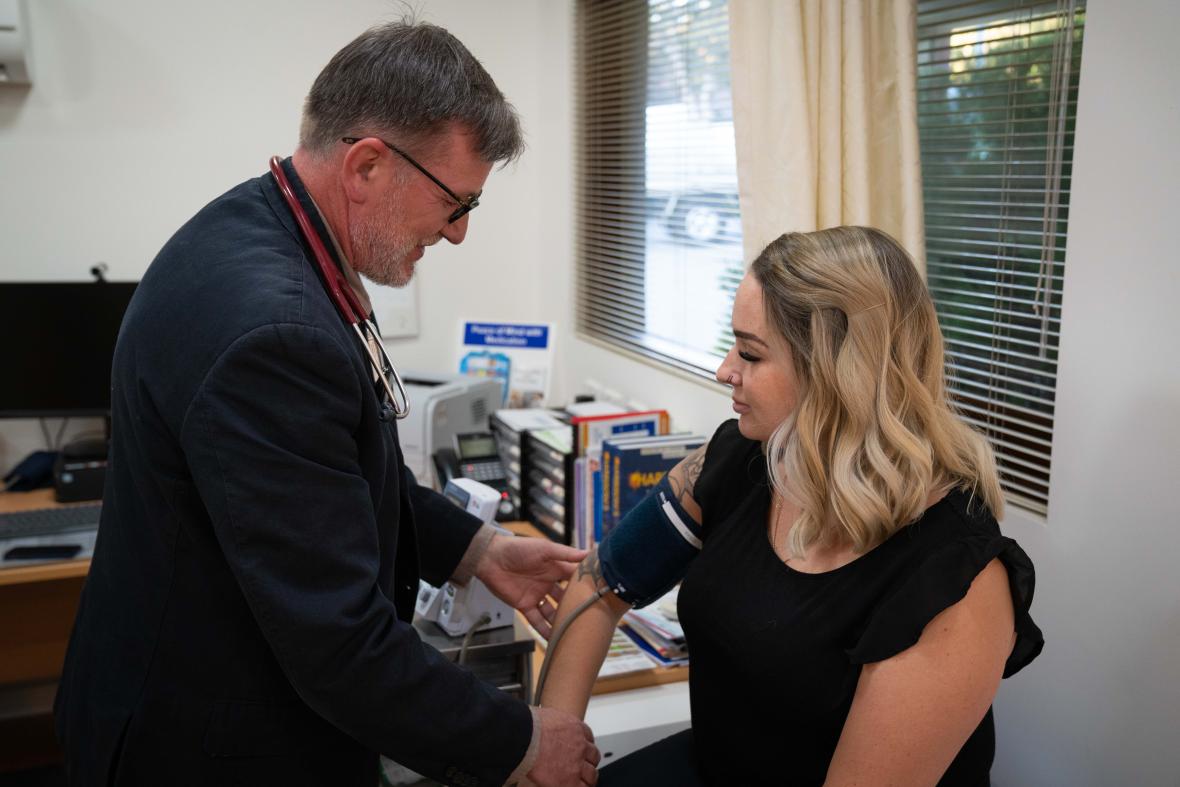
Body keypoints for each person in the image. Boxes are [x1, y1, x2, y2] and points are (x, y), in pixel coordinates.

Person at [53, 20, 601, 787]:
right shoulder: (271, 333)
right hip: (208, 745)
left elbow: (337, 473)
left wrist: (480, 549)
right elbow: (339, 640)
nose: (460, 233)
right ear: (368, 165)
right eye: (456, 202)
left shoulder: (265, 229)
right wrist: (519, 741)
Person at [540, 226, 1044, 786]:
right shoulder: (739, 459)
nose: (724, 370)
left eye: (751, 353)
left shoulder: (956, 574)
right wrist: (548, 747)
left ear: (836, 373)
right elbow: (596, 586)